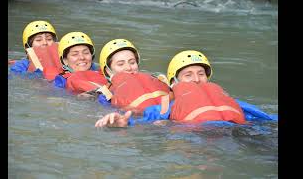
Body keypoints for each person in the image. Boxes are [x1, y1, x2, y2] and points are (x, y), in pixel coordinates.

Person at [95, 50, 278, 128]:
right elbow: (148, 119)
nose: (196, 79)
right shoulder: (168, 105)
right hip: (199, 138)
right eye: (188, 75)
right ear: (174, 83)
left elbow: (267, 120)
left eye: (201, 73)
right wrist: (125, 123)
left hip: (239, 132)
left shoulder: (229, 101)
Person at [88, 38, 171, 113]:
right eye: (120, 64)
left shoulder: (157, 80)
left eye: (132, 62)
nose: (128, 68)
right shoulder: (105, 97)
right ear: (108, 71)